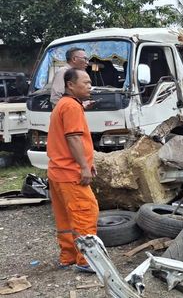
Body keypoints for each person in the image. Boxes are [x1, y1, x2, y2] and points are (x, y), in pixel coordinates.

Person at [47, 68, 98, 273]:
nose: (89, 86)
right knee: (86, 212)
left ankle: (68, 256)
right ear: (70, 85)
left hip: (57, 171)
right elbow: (73, 137)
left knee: (65, 218)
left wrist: (88, 160)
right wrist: (84, 167)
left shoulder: (64, 104)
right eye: (85, 82)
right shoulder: (72, 107)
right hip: (71, 172)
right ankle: (87, 260)